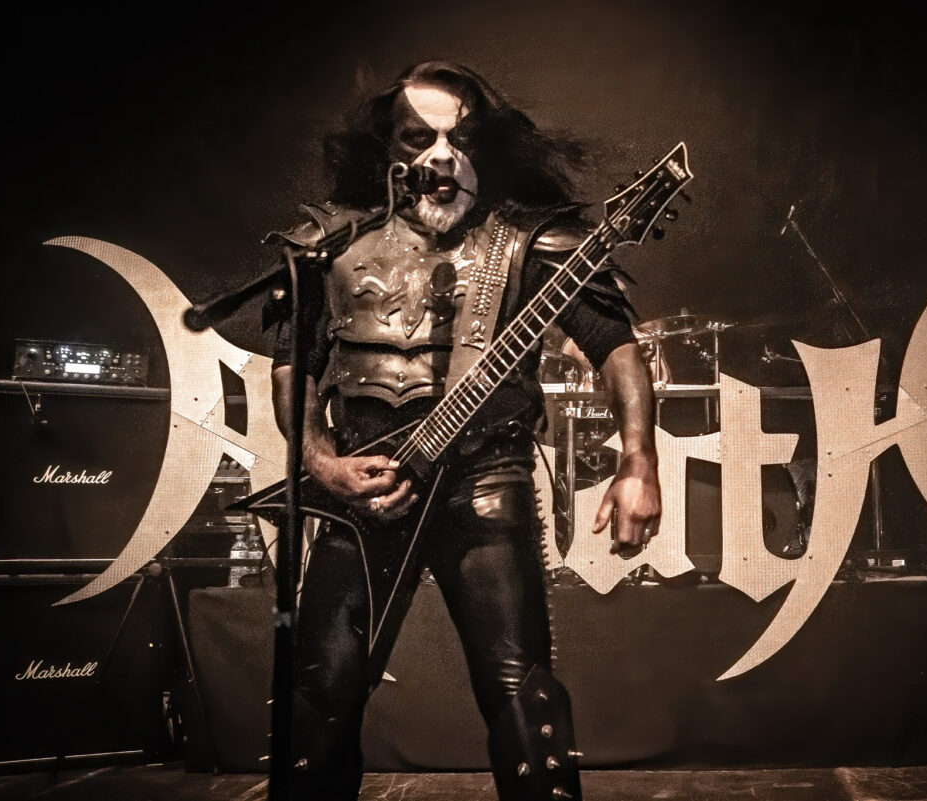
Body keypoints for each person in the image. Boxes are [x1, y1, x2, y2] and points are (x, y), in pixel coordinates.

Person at [265, 61, 662, 801]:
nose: (442, 157)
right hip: (358, 491)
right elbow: (296, 367)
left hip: (484, 477)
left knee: (522, 697)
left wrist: (639, 460)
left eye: (461, 138)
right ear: (389, 150)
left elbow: (616, 348)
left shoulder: (531, 244)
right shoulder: (331, 244)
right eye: (419, 138)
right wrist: (322, 464)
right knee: (317, 696)